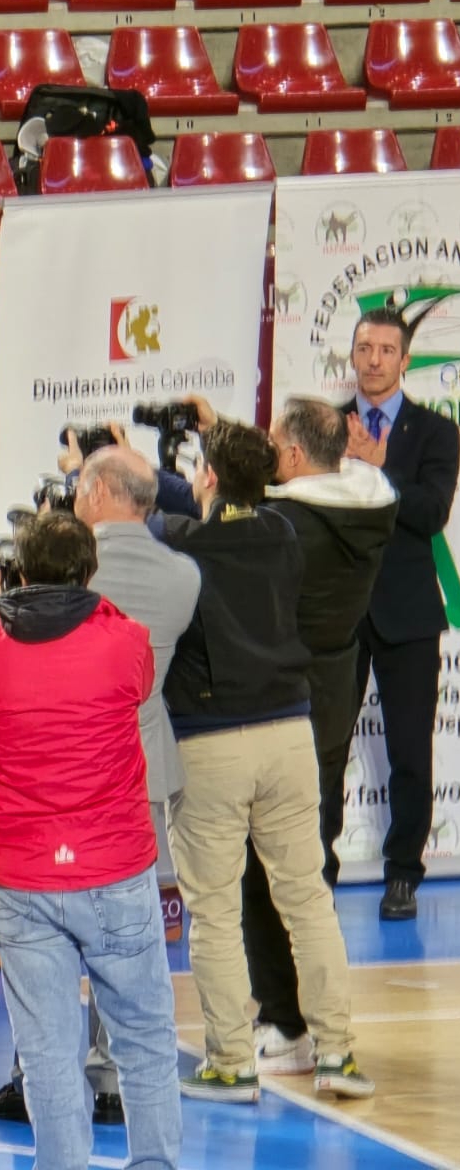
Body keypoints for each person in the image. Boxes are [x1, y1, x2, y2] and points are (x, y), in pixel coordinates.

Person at [0, 511, 181, 1170]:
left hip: (21, 877)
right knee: (145, 1040)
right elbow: (138, 684)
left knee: (46, 1050)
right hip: (114, 867)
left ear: (15, 570)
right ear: (88, 571)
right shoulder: (123, 638)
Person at [0, 446, 200, 1130]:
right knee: (129, 957)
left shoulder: (37, 595)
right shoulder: (182, 577)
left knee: (41, 953)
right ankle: (108, 1076)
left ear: (99, 492)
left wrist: (5, 591)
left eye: (80, 484)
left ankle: (35, 1075)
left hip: (50, 788)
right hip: (140, 777)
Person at [160, 419, 373, 1103]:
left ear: (211, 479)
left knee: (216, 910)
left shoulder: (182, 544)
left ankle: (229, 1060)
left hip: (210, 742)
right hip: (288, 735)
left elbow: (155, 522)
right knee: (308, 900)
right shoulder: (284, 534)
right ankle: (336, 1055)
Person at [243, 396, 397, 1071]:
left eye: (274, 442)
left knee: (261, 872)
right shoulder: (373, 504)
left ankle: (283, 1026)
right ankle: (315, 1021)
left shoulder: (281, 525)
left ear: (295, 455)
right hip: (330, 706)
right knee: (313, 867)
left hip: (275, 711)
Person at [341, 308, 459, 920]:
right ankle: (316, 871)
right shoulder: (323, 428)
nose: (376, 359)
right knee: (323, 750)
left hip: (409, 615)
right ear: (352, 355)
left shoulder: (436, 433)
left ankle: (404, 874)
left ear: (406, 359)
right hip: (335, 614)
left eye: (388, 349)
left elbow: (429, 512)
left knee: (412, 752)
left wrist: (376, 465)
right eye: (366, 348)